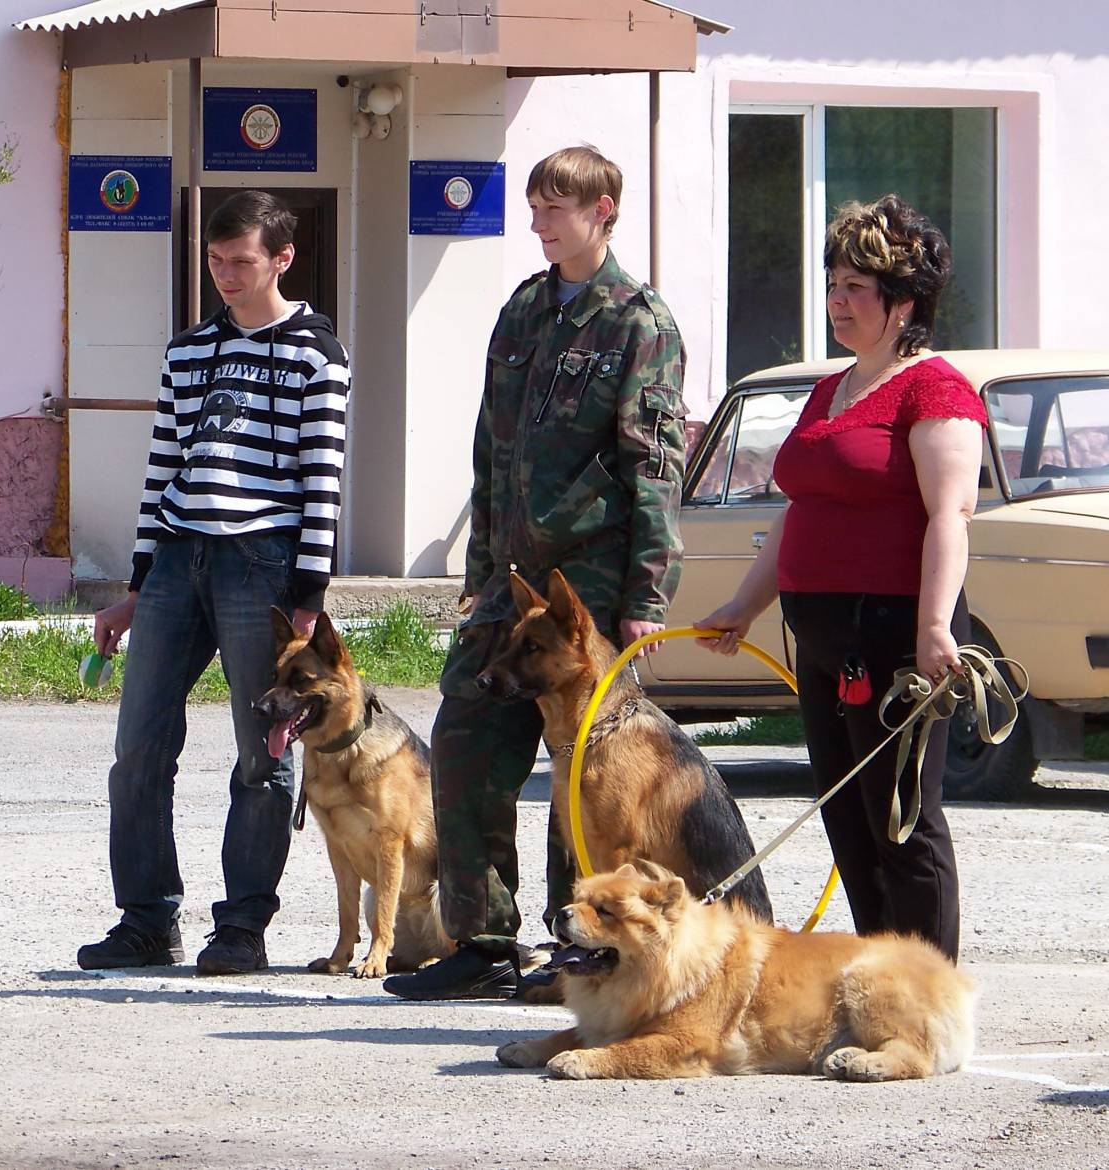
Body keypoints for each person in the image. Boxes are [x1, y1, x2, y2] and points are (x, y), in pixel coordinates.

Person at [383, 146, 687, 1000]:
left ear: (603, 212)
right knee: (464, 743)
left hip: (589, 589)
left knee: (586, 778)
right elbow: (492, 451)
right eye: (535, 206)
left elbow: (655, 466)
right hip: (511, 587)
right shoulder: (523, 310)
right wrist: (480, 572)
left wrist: (646, 597)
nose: (539, 222)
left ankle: (575, 950)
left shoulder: (640, 324)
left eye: (555, 207)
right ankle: (482, 942)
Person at [697, 194, 984, 962]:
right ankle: (877, 982)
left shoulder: (936, 389)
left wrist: (933, 628)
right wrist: (745, 604)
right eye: (833, 284)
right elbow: (802, 509)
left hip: (895, 639)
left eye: (857, 287)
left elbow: (951, 514)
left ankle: (926, 994)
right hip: (823, 641)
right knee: (849, 822)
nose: (837, 300)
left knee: (902, 823)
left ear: (904, 300)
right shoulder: (833, 388)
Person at [77, 190, 351, 976]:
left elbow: (322, 481)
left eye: (242, 261)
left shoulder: (317, 355)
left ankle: (241, 928)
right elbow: (163, 467)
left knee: (262, 752)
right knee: (137, 748)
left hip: (262, 564)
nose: (226, 275)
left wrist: (307, 599)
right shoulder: (188, 351)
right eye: (215, 260)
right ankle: (145, 921)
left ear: (282, 259)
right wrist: (137, 586)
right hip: (176, 561)